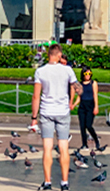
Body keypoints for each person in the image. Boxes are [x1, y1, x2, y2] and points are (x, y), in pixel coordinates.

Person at [31, 43, 80, 191]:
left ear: (48, 55)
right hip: (63, 112)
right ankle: (64, 183)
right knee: (64, 148)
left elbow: (36, 96)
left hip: (46, 112)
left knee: (47, 148)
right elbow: (77, 88)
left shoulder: (40, 71)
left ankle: (47, 182)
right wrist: (79, 96)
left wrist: (34, 117)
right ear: (59, 55)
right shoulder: (68, 70)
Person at [77, 67, 100, 151]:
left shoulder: (93, 83)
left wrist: (96, 107)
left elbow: (95, 95)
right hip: (82, 105)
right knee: (82, 126)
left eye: (89, 74)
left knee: (88, 125)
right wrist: (73, 104)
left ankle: (96, 139)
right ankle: (84, 144)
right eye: (86, 74)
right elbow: (79, 97)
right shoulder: (80, 84)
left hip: (90, 105)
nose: (88, 76)